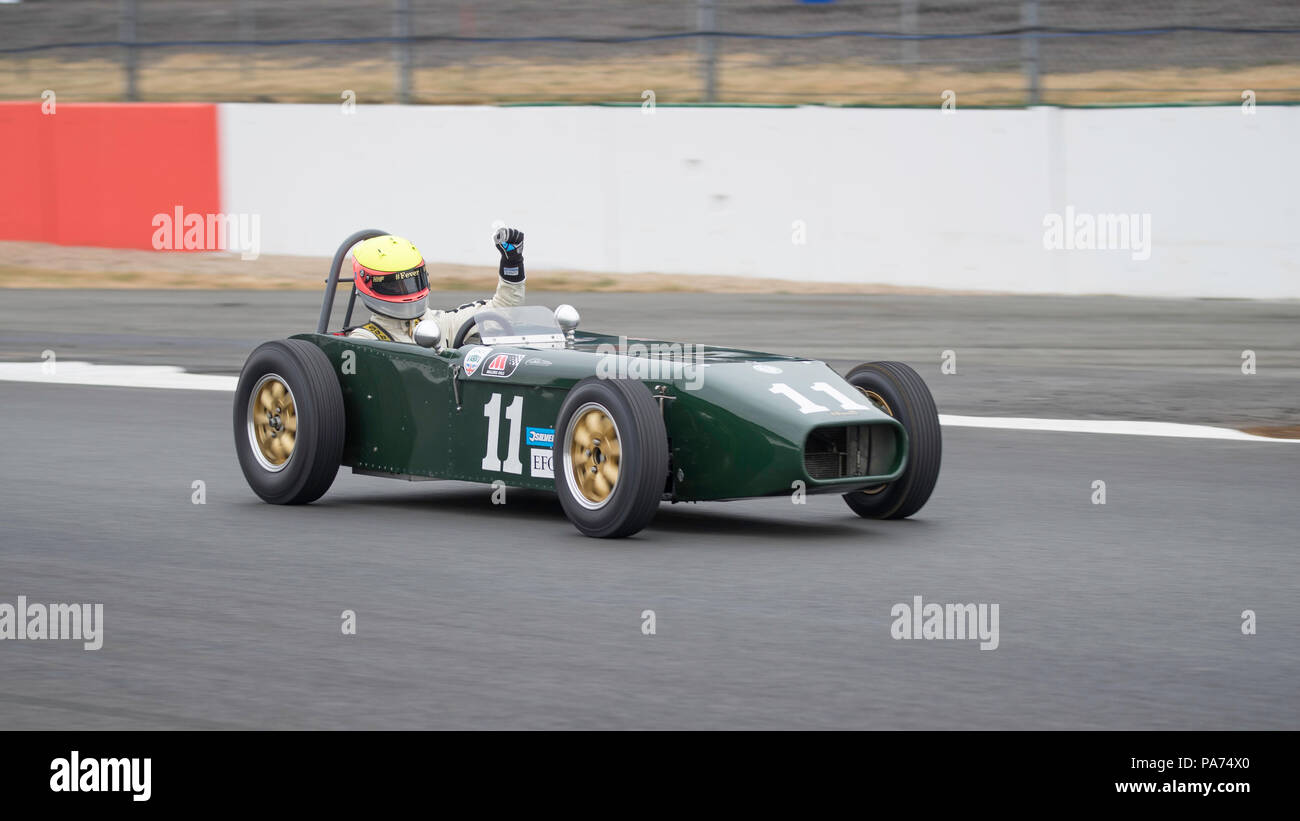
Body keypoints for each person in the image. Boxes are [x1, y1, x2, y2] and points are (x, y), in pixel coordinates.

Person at [346, 228, 526, 345]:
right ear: (367, 284)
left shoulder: (438, 323)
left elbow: (504, 310)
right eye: (394, 285)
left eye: (412, 281)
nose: (406, 292)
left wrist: (512, 262)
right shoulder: (364, 342)